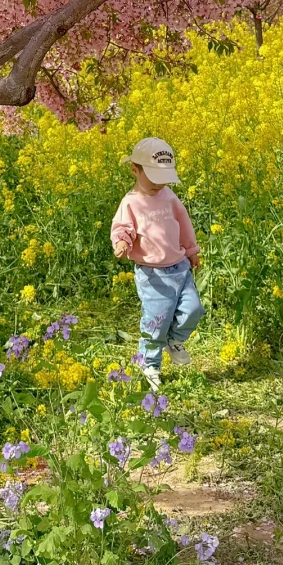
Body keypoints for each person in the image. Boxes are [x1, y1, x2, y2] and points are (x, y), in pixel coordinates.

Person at [110, 137, 204, 391]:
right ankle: (150, 363)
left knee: (194, 309)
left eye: (163, 178)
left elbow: (183, 222)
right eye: (153, 177)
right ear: (135, 170)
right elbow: (123, 227)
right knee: (156, 321)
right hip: (153, 275)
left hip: (180, 267)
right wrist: (122, 242)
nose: (158, 184)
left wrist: (191, 250)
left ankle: (174, 340)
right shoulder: (131, 202)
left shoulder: (168, 196)